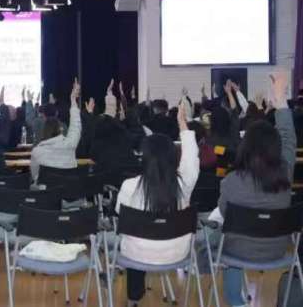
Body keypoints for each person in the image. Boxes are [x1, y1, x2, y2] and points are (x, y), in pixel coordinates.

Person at [215, 73, 296, 307]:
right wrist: (281, 102)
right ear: (275, 147)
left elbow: (224, 214)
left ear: (246, 147)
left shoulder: (231, 181)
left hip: (237, 250)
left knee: (221, 235)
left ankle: (236, 301)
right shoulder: (285, 173)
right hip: (277, 249)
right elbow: (289, 138)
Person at [116, 101, 199, 307]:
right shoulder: (184, 184)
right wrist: (183, 125)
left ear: (143, 158)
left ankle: (134, 298)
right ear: (173, 157)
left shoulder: (129, 186)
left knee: (134, 237)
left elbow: (120, 216)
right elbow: (191, 159)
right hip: (176, 252)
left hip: (136, 254)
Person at [30, 79, 82, 183]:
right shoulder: (70, 144)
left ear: (44, 130)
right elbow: (76, 126)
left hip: (47, 191)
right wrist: (73, 100)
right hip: (70, 191)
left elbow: (35, 176)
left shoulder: (37, 152)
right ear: (60, 130)